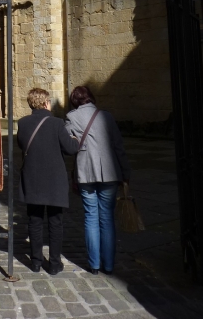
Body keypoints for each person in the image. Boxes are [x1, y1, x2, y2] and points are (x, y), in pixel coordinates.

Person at [65, 86, 131, 275]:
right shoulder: (107, 116)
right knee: (107, 218)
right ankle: (108, 265)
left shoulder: (71, 118)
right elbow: (119, 146)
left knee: (90, 218)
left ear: (74, 102)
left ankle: (94, 264)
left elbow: (69, 146)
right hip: (110, 173)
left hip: (85, 172)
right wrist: (126, 172)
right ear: (91, 98)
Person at [17, 88, 79, 274]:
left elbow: (21, 144)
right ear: (45, 103)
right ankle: (54, 263)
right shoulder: (56, 123)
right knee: (55, 222)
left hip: (33, 178)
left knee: (34, 221)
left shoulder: (23, 123)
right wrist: (75, 139)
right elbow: (70, 148)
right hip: (54, 180)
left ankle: (35, 262)